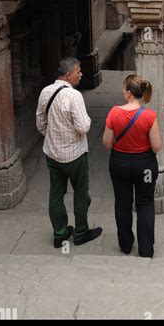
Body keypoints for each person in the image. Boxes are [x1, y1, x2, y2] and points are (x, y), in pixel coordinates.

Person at [36, 58, 102, 248]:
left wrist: (54, 137)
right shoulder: (74, 96)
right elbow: (83, 127)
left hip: (52, 153)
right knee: (81, 194)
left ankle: (60, 233)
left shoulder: (45, 92)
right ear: (68, 75)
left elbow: (40, 124)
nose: (81, 74)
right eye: (78, 71)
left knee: (56, 194)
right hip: (75, 155)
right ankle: (81, 232)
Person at [103, 74, 161, 258]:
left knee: (122, 202)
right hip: (144, 165)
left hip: (120, 164)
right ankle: (145, 249)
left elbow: (107, 142)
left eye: (123, 89)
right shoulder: (150, 116)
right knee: (145, 203)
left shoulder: (114, 113)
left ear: (128, 93)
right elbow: (156, 146)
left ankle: (126, 244)